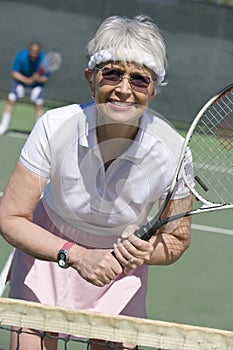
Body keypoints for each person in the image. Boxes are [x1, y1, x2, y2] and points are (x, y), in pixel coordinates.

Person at [0, 15, 193, 350]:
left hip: (121, 271)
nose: (123, 89)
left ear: (154, 90)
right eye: (112, 73)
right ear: (91, 78)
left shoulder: (175, 152)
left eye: (139, 79)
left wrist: (147, 251)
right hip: (48, 254)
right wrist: (74, 255)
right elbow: (11, 217)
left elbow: (176, 239)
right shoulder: (53, 126)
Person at [0, 41, 50, 135]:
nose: (33, 53)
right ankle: (4, 125)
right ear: (29, 50)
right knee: (11, 99)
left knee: (38, 104)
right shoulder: (21, 56)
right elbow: (14, 73)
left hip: (37, 84)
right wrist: (26, 80)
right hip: (21, 81)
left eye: (36, 51)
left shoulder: (44, 60)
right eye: (32, 51)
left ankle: (40, 131)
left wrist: (38, 78)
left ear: (39, 52)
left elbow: (45, 79)